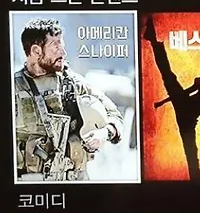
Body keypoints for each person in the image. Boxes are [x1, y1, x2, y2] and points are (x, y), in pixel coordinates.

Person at [13, 18, 125, 182]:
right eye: (56, 47)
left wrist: (104, 133)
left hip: (74, 182)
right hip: (30, 184)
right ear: (36, 51)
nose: (63, 53)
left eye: (62, 45)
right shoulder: (14, 89)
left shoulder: (73, 83)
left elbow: (115, 116)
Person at [142, 16, 200, 182]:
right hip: (184, 104)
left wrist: (199, 87)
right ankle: (153, 40)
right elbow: (186, 93)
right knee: (167, 73)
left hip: (189, 116)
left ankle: (195, 182)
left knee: (191, 151)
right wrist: (163, 102)